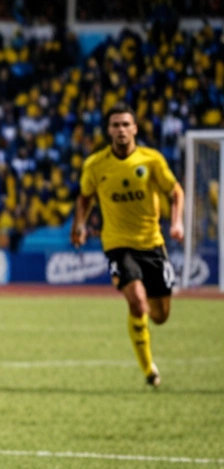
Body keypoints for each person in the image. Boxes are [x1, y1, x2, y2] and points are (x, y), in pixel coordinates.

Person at [72, 103, 185, 387]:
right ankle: (150, 371)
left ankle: (142, 326)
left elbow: (175, 192)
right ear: (108, 130)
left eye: (126, 124)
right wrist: (80, 225)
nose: (121, 130)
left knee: (159, 316)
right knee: (136, 301)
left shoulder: (151, 161)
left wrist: (177, 222)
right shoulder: (96, 165)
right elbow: (84, 197)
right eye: (115, 125)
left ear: (135, 128)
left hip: (152, 244)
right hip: (118, 245)